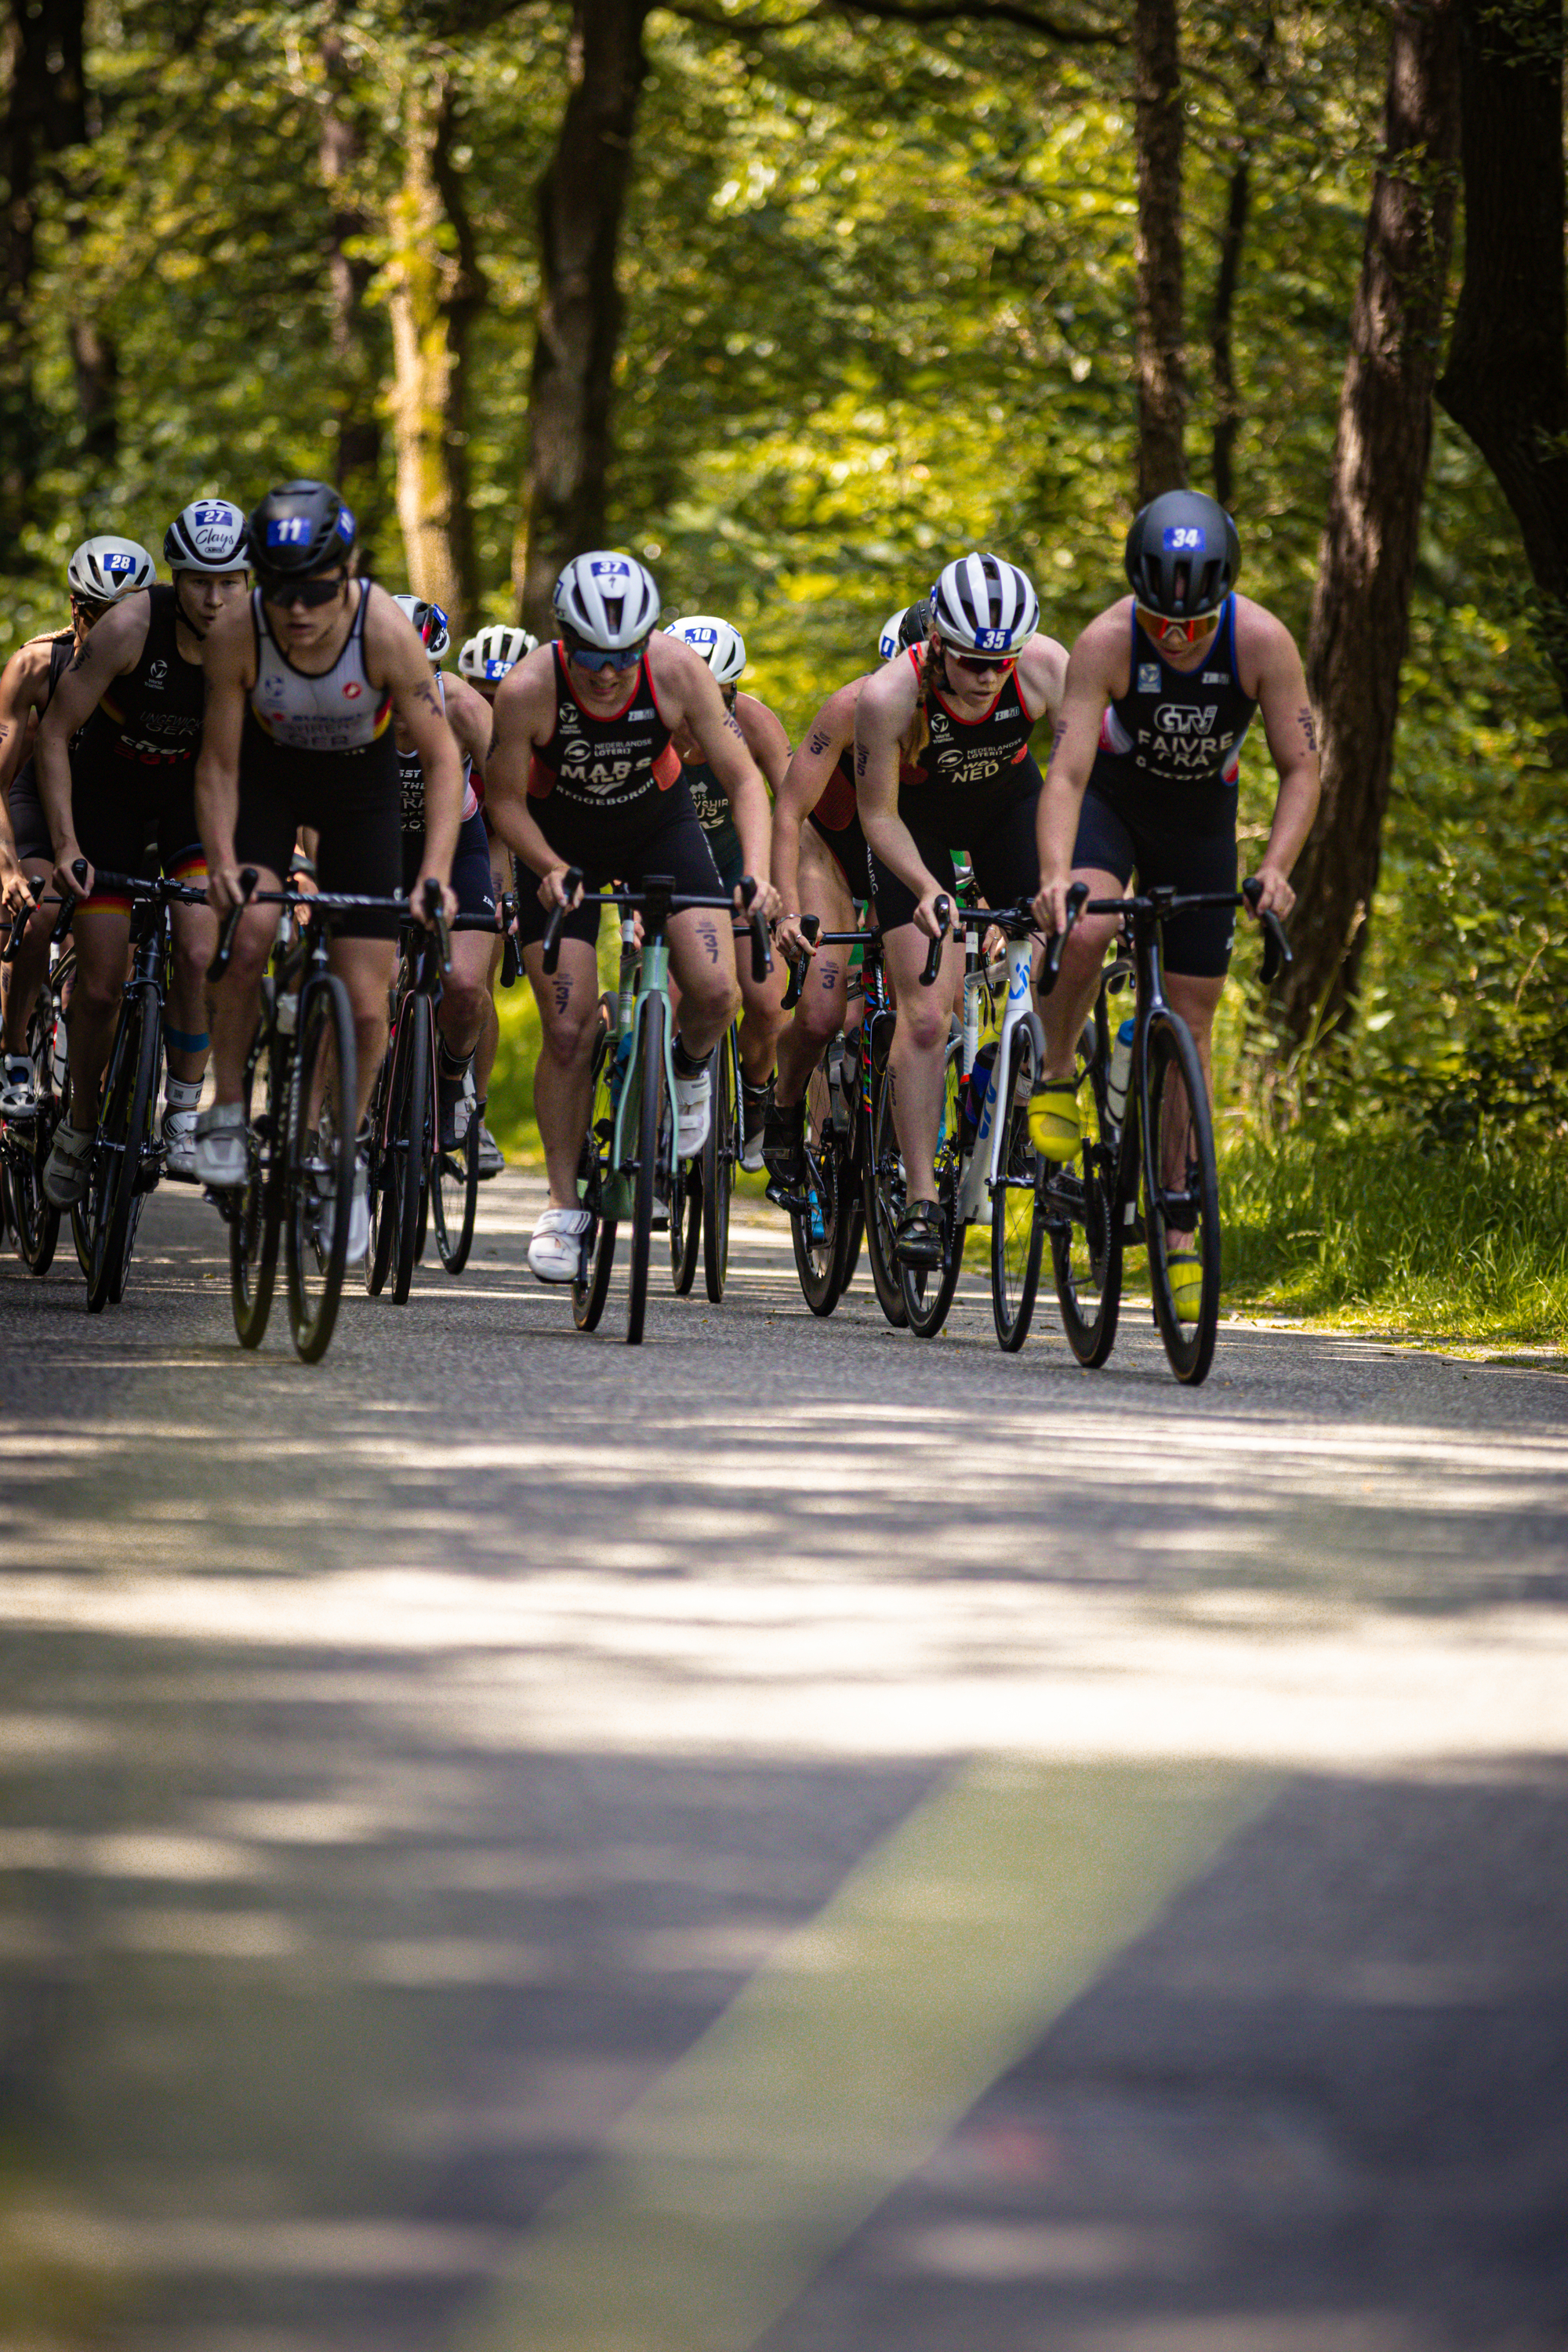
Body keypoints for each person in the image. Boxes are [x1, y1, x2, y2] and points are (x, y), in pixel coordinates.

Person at [1030, 489, 1319, 1312]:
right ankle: (1053, 1076)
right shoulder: (1106, 641)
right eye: (1163, 619)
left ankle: (1177, 1223)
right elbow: (1068, 774)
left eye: (1194, 623)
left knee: (1189, 1024)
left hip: (1199, 825)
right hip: (1111, 812)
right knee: (1081, 929)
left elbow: (1302, 767)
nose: (1178, 635)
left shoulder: (1261, 641)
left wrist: (1275, 868)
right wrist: (1055, 872)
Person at [482, 550, 779, 1283]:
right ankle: (560, 1206)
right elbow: (505, 801)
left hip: (659, 828)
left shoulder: (677, 671)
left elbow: (743, 778)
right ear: (562, 638)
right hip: (560, 843)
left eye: (624, 654)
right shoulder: (528, 688)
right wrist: (547, 868)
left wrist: (760, 876)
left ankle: (688, 1068)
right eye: (590, 654)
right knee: (568, 1026)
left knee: (716, 993)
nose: (609, 672)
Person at [192, 479, 463, 1258]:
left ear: (344, 573)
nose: (298, 612)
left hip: (358, 795)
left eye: (314, 591)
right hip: (269, 785)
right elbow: (215, 764)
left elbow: (443, 759)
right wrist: (218, 863)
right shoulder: (239, 631)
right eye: (281, 592)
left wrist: (434, 873)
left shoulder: (383, 629)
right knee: (246, 941)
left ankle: (342, 1161)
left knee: (367, 1004)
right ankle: (228, 1112)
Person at [853, 554, 1069, 1265]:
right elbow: (877, 817)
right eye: (973, 661)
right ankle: (920, 1201)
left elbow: (1081, 779)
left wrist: (1075, 871)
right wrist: (926, 888)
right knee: (922, 1011)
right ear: (937, 643)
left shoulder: (1044, 668)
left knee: (1069, 952)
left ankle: (1039, 1112)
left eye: (999, 662)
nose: (987, 677)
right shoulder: (890, 695)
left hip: (1009, 810)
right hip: (919, 830)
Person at [36, 505, 252, 1200]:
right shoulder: (131, 626)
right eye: (199, 583)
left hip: (191, 806)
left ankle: (184, 1113)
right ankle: (78, 1120)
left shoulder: (256, 637)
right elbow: (52, 733)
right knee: (98, 984)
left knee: (197, 952)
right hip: (109, 806)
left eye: (230, 583)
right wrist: (66, 843)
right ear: (176, 578)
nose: (215, 600)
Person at [765, 600, 928, 1194]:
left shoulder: (964, 717)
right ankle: (784, 1113)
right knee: (821, 1010)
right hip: (829, 856)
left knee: (927, 1009)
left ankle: (896, 1135)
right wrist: (786, 908)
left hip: (898, 861)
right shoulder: (850, 707)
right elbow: (790, 809)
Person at [0, 537, 153, 1112]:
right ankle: (14, 1052)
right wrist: (6, 862)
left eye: (121, 616)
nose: (107, 629)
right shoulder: (38, 664)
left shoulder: (164, 666)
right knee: (35, 919)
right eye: (93, 615)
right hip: (35, 801)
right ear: (73, 608)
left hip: (113, 812)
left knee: (115, 974)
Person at [663, 614, 790, 1170]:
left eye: (717, 697)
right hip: (669, 878)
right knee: (665, 1002)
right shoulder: (648, 725)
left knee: (766, 1005)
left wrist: (780, 891)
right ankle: (651, 1120)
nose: (698, 715)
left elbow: (793, 816)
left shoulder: (755, 723)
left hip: (739, 871)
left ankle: (757, 1095)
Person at [390, 595, 496, 1152]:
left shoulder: (463, 706)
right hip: (377, 849)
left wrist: (521, 881)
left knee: (465, 988)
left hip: (457, 850)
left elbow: (511, 795)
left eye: (424, 673)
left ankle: (452, 1083)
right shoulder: (352, 703)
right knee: (374, 981)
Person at [458, 622, 539, 1178]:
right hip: (422, 835)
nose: (491, 708)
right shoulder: (448, 718)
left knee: (479, 973)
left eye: (502, 696)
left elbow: (505, 835)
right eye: (482, 694)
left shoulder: (532, 735)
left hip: (486, 844)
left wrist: (504, 903)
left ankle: (476, 1111)